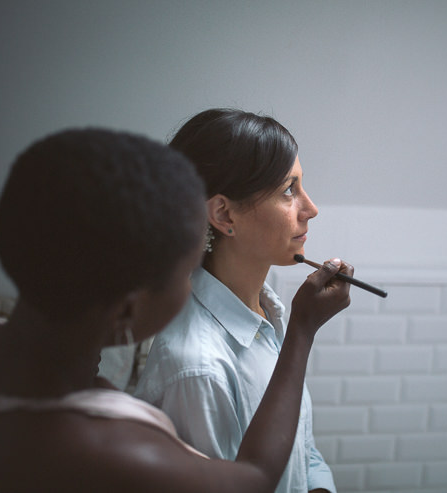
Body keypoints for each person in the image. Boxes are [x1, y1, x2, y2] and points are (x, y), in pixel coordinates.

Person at [0, 127, 352, 492]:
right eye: (183, 273)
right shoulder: (116, 447)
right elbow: (254, 479)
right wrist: (302, 332)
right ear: (127, 311)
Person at [135, 109, 340, 493]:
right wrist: (303, 331)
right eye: (288, 191)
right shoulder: (197, 367)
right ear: (224, 214)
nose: (311, 209)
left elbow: (301, 447)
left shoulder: (266, 314)